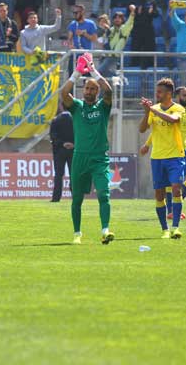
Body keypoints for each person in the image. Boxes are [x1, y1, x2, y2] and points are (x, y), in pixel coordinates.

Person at [61, 54, 114, 245]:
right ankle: (77, 233)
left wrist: (92, 70)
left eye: (93, 88)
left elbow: (109, 91)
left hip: (99, 158)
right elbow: (63, 93)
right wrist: (77, 72)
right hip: (80, 158)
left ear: (97, 92)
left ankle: (105, 230)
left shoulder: (102, 107)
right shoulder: (77, 106)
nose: (89, 91)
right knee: (77, 199)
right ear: (83, 90)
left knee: (103, 193)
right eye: (87, 88)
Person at [142, 86, 186, 220]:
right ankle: (171, 211)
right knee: (170, 184)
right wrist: (147, 144)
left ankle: (175, 205)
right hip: (172, 150)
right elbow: (156, 130)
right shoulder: (169, 110)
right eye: (185, 95)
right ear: (177, 96)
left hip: (184, 149)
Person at [138, 78, 186, 239]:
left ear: (169, 93)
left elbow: (173, 120)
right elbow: (142, 129)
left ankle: (176, 227)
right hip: (157, 157)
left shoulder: (178, 108)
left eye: (160, 91)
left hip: (174, 156)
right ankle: (164, 229)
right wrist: (147, 113)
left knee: (176, 189)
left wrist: (153, 110)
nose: (157, 94)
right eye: (156, 91)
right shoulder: (154, 109)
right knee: (159, 194)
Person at [97, 6, 135, 77]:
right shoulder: (111, 29)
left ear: (122, 20)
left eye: (119, 18)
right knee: (105, 77)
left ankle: (118, 77)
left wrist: (132, 12)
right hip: (105, 55)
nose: (117, 19)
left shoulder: (124, 29)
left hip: (113, 56)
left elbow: (130, 23)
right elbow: (103, 41)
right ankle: (117, 78)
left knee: (99, 72)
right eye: (115, 18)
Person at [128, 0, 158, 69]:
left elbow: (156, 14)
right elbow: (128, 14)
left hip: (149, 29)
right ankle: (134, 69)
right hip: (137, 29)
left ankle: (150, 69)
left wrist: (151, 12)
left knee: (150, 50)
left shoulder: (151, 1)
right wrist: (137, 12)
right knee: (135, 49)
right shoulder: (132, 1)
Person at [49, 110, 74, 202]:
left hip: (59, 150)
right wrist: (73, 144)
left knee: (58, 174)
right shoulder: (75, 120)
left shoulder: (55, 120)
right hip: (73, 150)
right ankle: (75, 196)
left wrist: (63, 143)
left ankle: (56, 198)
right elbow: (81, 135)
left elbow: (53, 137)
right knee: (73, 174)